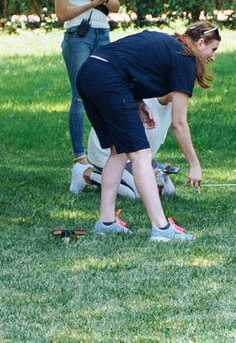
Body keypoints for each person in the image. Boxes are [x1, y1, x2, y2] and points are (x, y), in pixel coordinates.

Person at [73, 21, 220, 241]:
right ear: (200, 43)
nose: (213, 57)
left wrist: (138, 102)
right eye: (213, 49)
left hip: (89, 73)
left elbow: (129, 64)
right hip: (107, 78)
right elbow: (178, 123)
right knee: (141, 154)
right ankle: (161, 229)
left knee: (118, 150)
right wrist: (194, 164)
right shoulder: (185, 58)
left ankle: (106, 222)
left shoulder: (170, 45)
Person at [55, 0, 123, 163]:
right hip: (77, 36)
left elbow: (115, 7)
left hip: (102, 33)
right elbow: (61, 14)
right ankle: (79, 156)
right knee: (80, 96)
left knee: (105, 92)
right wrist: (92, 3)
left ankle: (108, 151)